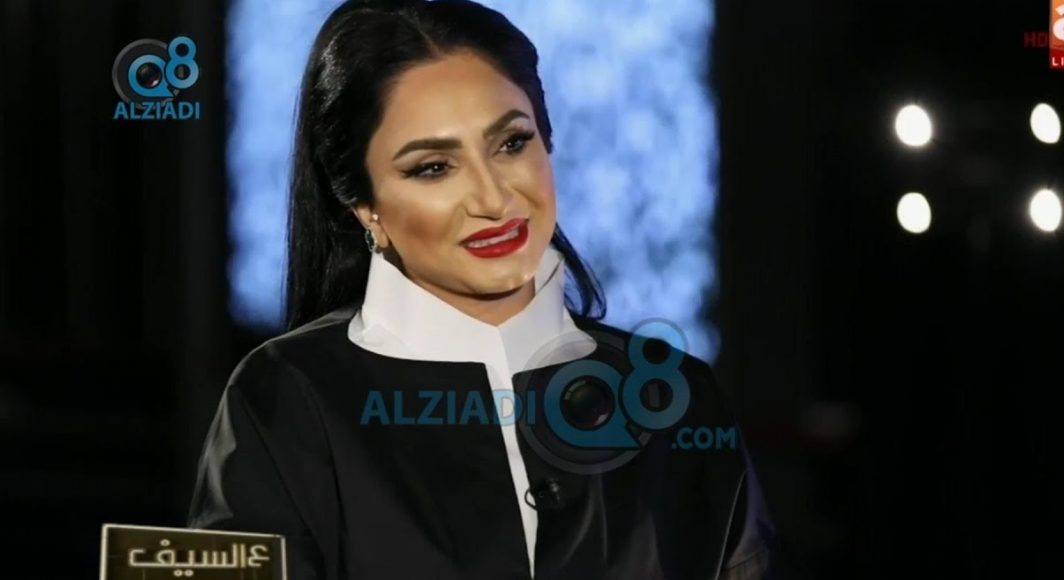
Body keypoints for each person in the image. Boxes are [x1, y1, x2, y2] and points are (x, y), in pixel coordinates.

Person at [186, 0, 776, 578]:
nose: (493, 199)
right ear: (364, 205)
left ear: (547, 141)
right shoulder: (286, 396)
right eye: (433, 168)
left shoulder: (674, 397)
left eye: (512, 143)